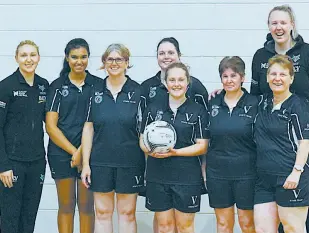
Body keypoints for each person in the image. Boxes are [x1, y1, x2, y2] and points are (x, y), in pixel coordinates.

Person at [250, 5, 309, 232]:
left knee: (296, 223)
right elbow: (254, 96)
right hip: (269, 151)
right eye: (274, 23)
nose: (279, 27)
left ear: (292, 25)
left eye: (283, 22)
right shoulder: (260, 56)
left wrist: (297, 168)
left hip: (298, 144)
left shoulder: (305, 52)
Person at [141, 37, 208, 233]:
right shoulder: (153, 108)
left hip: (187, 176)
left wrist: (175, 152)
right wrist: (149, 149)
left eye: (181, 80)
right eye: (172, 80)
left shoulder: (197, 109)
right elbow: (142, 138)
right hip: (158, 174)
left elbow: (203, 145)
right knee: (164, 227)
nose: (176, 84)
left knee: (185, 227)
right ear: (165, 82)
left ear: (188, 83)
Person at [81, 43, 146, 233]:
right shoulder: (94, 91)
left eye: (119, 59)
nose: (114, 63)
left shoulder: (138, 92)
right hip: (100, 162)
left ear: (127, 62)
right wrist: (86, 163)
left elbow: (143, 132)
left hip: (130, 162)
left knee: (127, 213)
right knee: (102, 212)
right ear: (103, 62)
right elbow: (88, 128)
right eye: (110, 59)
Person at [45, 38, 100, 233]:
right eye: (74, 57)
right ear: (67, 58)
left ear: (88, 58)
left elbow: (100, 124)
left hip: (91, 156)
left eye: (83, 57)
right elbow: (51, 127)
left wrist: (83, 154)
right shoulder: (57, 86)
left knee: (86, 207)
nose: (79, 61)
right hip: (61, 154)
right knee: (66, 206)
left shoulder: (98, 85)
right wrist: (74, 153)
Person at [0, 40, 49, 233]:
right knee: (10, 218)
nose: (28, 59)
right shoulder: (6, 87)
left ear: (38, 58)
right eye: (24, 55)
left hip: (37, 162)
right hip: (12, 164)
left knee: (29, 217)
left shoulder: (43, 86)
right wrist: (3, 165)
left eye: (32, 55)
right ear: (16, 58)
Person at [207, 56, 257, 233]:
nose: (229, 80)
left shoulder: (254, 103)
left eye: (233, 76)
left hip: (247, 174)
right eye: (225, 76)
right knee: (223, 224)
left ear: (242, 77)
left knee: (247, 224)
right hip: (218, 173)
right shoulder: (212, 102)